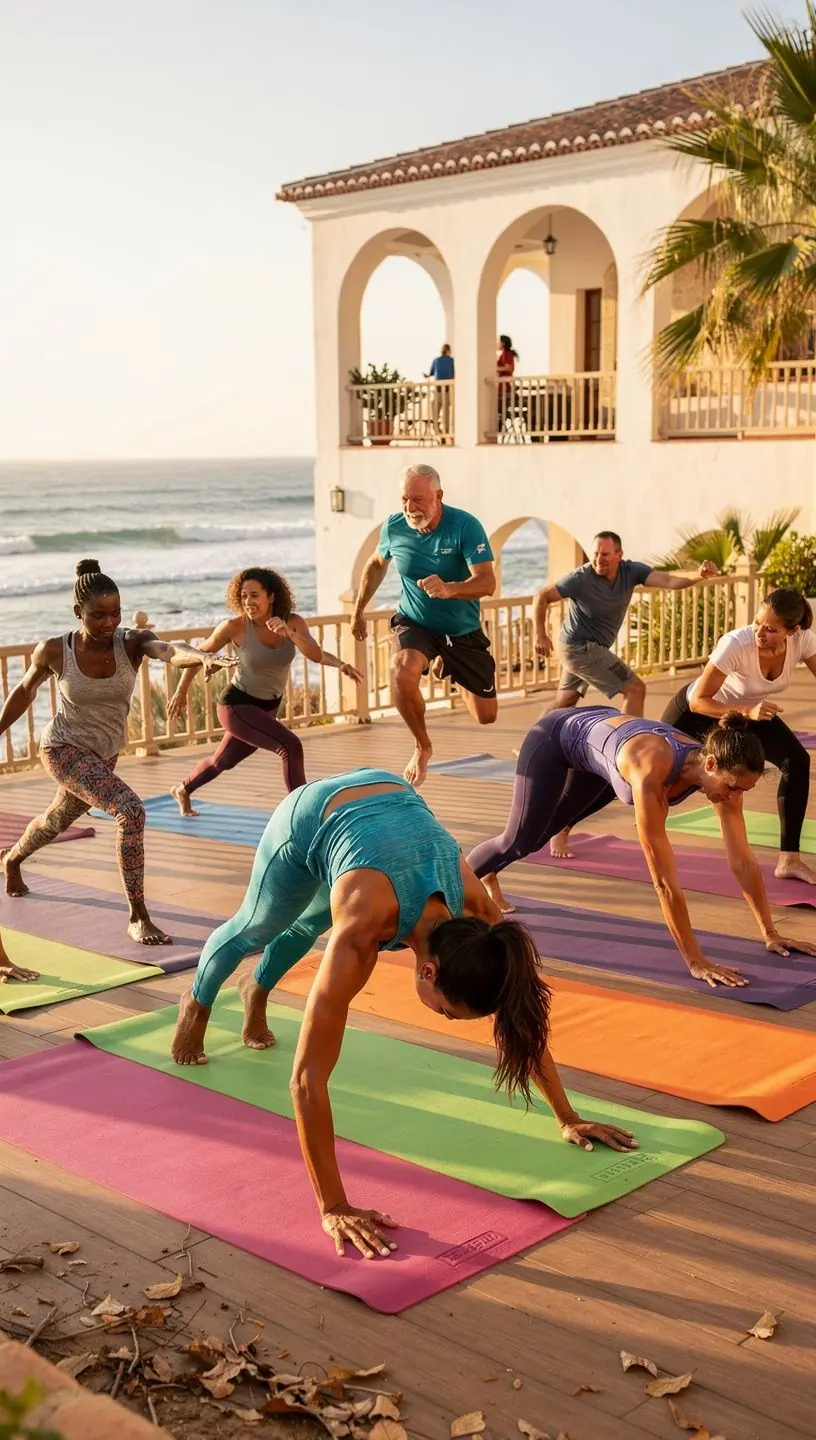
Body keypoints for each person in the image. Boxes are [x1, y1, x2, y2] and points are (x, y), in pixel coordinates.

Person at [171, 767, 636, 1257]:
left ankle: (256, 993)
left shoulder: (481, 919)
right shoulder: (363, 926)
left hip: (390, 796)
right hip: (314, 814)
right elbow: (307, 1079)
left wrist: (568, 1115)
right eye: (451, 1015)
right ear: (429, 973)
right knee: (258, 927)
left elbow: (520, 1016)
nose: (447, 1021)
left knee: (307, 925)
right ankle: (195, 1005)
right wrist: (334, 1205)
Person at [466, 707, 816, 987]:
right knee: (519, 841)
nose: (733, 796)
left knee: (538, 837)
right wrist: (695, 960)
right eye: (732, 787)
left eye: (743, 790)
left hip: (600, 751)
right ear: (710, 763)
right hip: (556, 737)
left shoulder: (722, 777)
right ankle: (448, 890)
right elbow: (664, 882)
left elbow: (742, 860)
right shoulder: (653, 773)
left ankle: (492, 872)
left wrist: (770, 933)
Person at [0, 560, 233, 945]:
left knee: (56, 820)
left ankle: (11, 859)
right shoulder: (56, 650)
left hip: (103, 756)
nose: (109, 622)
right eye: (98, 615)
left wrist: (202, 657)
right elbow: (24, 692)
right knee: (130, 810)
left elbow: (170, 649)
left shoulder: (132, 642)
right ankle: (138, 916)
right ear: (79, 613)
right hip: (62, 749)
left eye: (115, 613)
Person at [533, 531, 719, 856]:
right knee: (635, 687)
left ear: (619, 554)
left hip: (586, 648)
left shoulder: (632, 572)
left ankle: (534, 743)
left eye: (606, 554)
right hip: (577, 647)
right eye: (595, 554)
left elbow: (669, 581)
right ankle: (630, 746)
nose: (599, 560)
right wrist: (540, 634)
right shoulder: (581, 577)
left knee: (566, 701)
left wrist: (698, 576)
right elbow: (542, 597)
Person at [167, 566, 363, 817]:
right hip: (236, 705)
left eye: (255, 595)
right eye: (244, 596)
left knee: (222, 761)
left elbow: (314, 654)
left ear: (271, 596)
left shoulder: (293, 622)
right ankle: (302, 815)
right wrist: (181, 691)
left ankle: (183, 789)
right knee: (290, 746)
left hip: (267, 708)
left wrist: (339, 663)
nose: (248, 602)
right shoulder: (234, 627)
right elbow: (198, 656)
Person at [351, 465, 497, 788]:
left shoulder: (465, 527)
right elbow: (376, 564)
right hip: (415, 622)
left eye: (418, 499)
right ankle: (422, 746)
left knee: (487, 715)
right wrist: (358, 609)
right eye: (405, 499)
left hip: (461, 630)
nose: (410, 507)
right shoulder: (394, 527)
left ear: (438, 496)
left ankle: (451, 669)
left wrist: (450, 588)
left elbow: (488, 582)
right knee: (401, 674)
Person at [662, 588, 816, 885]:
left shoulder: (804, 641)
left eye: (771, 629)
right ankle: (566, 824)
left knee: (796, 760)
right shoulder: (736, 643)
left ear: (792, 631)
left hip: (748, 711)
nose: (760, 632)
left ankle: (789, 859)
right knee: (655, 777)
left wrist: (748, 712)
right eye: (757, 623)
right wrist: (747, 711)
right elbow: (699, 701)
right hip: (699, 711)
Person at [424, 344, 454, 442]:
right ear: (449, 351)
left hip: (437, 390)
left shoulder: (436, 361)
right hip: (446, 389)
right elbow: (453, 374)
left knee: (435, 413)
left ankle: (438, 432)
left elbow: (431, 373)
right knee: (446, 413)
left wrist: (427, 376)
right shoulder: (451, 361)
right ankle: (446, 433)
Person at [496, 335, 518, 434]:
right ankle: (501, 426)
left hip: (505, 387)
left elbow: (509, 368)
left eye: (499, 341)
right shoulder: (505, 354)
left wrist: (496, 368)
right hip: (503, 386)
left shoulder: (506, 354)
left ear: (503, 343)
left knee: (499, 407)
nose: (497, 343)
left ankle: (500, 427)